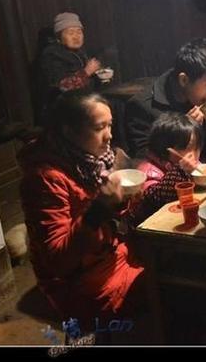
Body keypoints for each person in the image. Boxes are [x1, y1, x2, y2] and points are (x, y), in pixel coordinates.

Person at [17, 91, 146, 337]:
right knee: (164, 289)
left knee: (172, 266)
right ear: (69, 131)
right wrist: (99, 209)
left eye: (110, 125)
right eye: (99, 128)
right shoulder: (44, 179)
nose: (109, 135)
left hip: (112, 256)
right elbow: (58, 260)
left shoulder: (95, 162)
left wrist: (122, 201)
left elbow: (113, 218)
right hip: (80, 283)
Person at [125, 37, 206, 160]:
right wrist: (184, 130)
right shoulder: (141, 106)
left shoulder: (196, 99)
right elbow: (143, 159)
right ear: (184, 80)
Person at [127, 112, 203, 225]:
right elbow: (154, 201)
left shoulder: (184, 164)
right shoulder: (147, 173)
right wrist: (180, 171)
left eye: (197, 147)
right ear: (165, 149)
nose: (193, 154)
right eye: (187, 147)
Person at [40, 12, 101, 96]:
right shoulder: (52, 54)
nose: (76, 37)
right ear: (59, 37)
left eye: (79, 32)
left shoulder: (79, 51)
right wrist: (87, 72)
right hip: (66, 103)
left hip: (86, 99)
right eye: (71, 33)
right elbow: (63, 87)